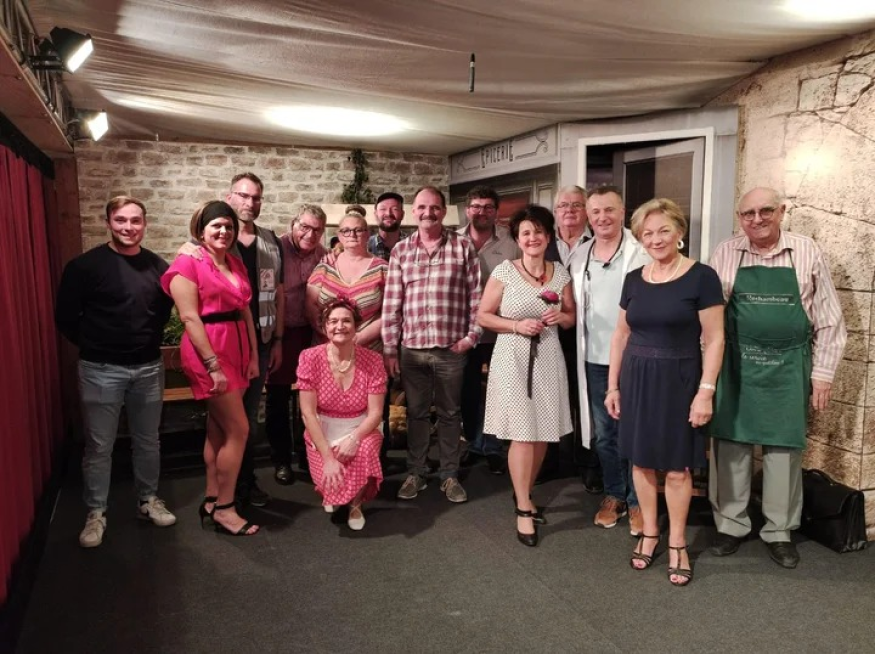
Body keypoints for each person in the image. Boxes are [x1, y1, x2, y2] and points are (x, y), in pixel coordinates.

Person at [707, 187, 847, 569]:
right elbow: (710, 318)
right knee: (731, 445)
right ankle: (730, 524)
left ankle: (779, 530)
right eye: (748, 213)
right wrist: (707, 376)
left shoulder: (806, 251)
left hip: (788, 367)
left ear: (782, 211)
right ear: (739, 218)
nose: (757, 219)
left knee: (784, 449)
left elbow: (830, 320)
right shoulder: (725, 252)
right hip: (735, 365)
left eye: (766, 210)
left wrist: (822, 375)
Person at [605, 198, 724, 586]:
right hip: (636, 379)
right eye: (647, 233)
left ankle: (677, 542)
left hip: (680, 380)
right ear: (640, 238)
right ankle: (650, 532)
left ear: (680, 232)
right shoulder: (633, 279)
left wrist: (705, 392)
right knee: (640, 462)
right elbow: (620, 335)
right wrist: (612, 386)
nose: (655, 239)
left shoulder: (702, 277)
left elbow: (715, 338)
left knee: (676, 466)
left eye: (663, 231)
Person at [56, 196, 177, 548]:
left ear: (145, 224)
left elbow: (162, 313)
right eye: (121, 220)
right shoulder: (84, 267)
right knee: (99, 446)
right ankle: (96, 511)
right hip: (100, 369)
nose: (129, 227)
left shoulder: (158, 267)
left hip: (148, 368)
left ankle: (148, 500)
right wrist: (98, 345)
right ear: (108, 222)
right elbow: (65, 317)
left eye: (135, 220)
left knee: (148, 440)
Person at [162, 200, 260, 536]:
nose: (224, 231)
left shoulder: (234, 262)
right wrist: (213, 366)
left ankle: (212, 497)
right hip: (209, 349)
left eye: (229, 226)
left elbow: (245, 310)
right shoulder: (187, 263)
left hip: (238, 347)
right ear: (201, 230)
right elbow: (189, 317)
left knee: (218, 429)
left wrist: (253, 356)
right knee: (239, 430)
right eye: (216, 225)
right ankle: (226, 509)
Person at [479, 205, 575, 546]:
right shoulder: (504, 271)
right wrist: (516, 325)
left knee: (543, 432)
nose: (532, 238)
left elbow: (571, 316)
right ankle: (522, 507)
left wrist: (560, 318)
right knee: (521, 433)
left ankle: (526, 492)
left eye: (538, 232)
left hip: (548, 357)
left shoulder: (560, 273)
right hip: (512, 358)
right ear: (518, 239)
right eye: (526, 233)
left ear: (548, 237)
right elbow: (483, 316)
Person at [382, 186, 481, 504]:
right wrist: (389, 348)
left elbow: (476, 296)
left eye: (435, 207)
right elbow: (392, 303)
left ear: (444, 211)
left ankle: (449, 475)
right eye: (422, 207)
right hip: (412, 350)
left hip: (451, 350)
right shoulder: (401, 251)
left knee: (451, 414)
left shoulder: (462, 247)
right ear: (414, 212)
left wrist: (471, 337)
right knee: (416, 414)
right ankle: (417, 472)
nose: (429, 213)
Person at [570, 185, 650, 535]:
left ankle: (638, 500)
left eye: (609, 210)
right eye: (596, 211)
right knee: (605, 435)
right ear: (588, 216)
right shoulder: (580, 255)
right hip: (594, 359)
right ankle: (615, 494)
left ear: (622, 212)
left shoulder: (642, 252)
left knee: (634, 431)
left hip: (635, 357)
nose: (602, 217)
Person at [297, 299, 387, 530]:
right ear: (324, 326)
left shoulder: (374, 360)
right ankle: (332, 491)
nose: (340, 326)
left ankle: (356, 505)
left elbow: (376, 413)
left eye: (346, 321)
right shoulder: (309, 357)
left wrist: (354, 439)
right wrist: (328, 458)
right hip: (323, 427)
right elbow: (308, 413)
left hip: (361, 427)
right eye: (333, 321)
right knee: (330, 476)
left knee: (365, 449)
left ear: (356, 326)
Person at [224, 172, 284, 506]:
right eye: (244, 196)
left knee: (248, 416)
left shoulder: (271, 241)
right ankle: (224, 487)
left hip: (261, 342)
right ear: (230, 197)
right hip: (226, 343)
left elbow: (278, 294)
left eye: (256, 197)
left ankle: (245, 482)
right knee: (227, 419)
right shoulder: (217, 237)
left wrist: (277, 340)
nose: (250, 203)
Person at [458, 186, 520, 475]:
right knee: (468, 391)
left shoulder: (511, 242)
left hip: (501, 329)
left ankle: (493, 447)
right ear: (467, 209)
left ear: (496, 211)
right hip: (464, 330)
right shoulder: (453, 240)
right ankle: (472, 443)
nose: (481, 212)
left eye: (487, 207)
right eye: (476, 206)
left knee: (499, 390)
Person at [264, 205, 328, 484]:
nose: (310, 234)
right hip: (280, 332)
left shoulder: (323, 255)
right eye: (305, 227)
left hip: (309, 333)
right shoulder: (275, 249)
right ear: (293, 224)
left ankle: (306, 454)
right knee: (277, 398)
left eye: (317, 230)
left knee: (311, 400)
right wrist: (274, 338)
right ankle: (281, 459)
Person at [545, 186, 601, 490]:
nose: (569, 210)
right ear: (555, 211)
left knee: (587, 402)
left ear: (587, 212)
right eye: (563, 205)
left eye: (577, 205)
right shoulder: (542, 243)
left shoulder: (599, 244)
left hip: (590, 336)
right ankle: (550, 461)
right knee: (550, 400)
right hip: (549, 336)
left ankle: (589, 463)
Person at [306, 211, 388, 351]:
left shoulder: (383, 269)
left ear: (367, 234)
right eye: (346, 230)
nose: (352, 235)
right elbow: (310, 305)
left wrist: (359, 338)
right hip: (326, 348)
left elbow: (390, 312)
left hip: (367, 350)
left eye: (358, 230)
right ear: (339, 236)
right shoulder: (326, 266)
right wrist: (329, 333)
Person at [368, 191, 406, 261]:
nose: (388, 213)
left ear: (402, 215)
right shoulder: (365, 247)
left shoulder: (413, 245)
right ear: (375, 215)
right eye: (383, 209)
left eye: (395, 209)